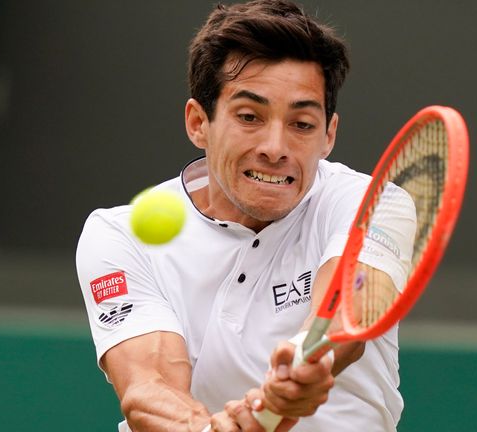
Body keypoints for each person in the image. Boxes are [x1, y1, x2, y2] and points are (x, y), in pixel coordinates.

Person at [75, 1, 416, 431]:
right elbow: (149, 385)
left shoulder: (373, 201)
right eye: (250, 117)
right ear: (199, 122)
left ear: (329, 135)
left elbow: (353, 304)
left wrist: (311, 357)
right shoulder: (118, 235)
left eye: (302, 124)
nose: (276, 147)